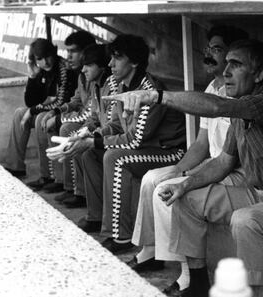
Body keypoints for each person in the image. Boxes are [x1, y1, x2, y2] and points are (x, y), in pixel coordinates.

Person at [104, 39, 263, 297]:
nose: (226, 72)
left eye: (236, 64)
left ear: (260, 74)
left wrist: (156, 96)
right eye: (227, 64)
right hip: (259, 196)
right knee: (183, 198)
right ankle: (198, 282)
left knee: (246, 220)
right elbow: (222, 162)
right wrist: (184, 183)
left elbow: (218, 106)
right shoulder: (240, 112)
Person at [130, 25, 248, 297]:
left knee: (167, 191)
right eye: (208, 49)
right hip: (212, 163)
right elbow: (201, 144)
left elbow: (227, 159)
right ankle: (150, 250)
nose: (209, 55)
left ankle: (187, 277)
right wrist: (179, 168)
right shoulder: (212, 86)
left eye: (217, 50)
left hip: (230, 170)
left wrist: (186, 177)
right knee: (152, 178)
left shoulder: (240, 94)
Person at [60, 34, 187, 254]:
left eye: (117, 58)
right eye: (111, 58)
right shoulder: (121, 86)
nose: (110, 64)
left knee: (115, 157)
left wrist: (95, 142)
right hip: (145, 148)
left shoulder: (150, 90)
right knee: (89, 154)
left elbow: (135, 139)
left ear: (135, 62)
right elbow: (116, 126)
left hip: (169, 152)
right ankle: (98, 218)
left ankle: (121, 236)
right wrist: (91, 136)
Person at [4, 38, 77, 191]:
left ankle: (49, 176)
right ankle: (15, 166)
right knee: (19, 113)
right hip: (47, 110)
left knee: (40, 119)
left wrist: (32, 111)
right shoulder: (41, 70)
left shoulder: (64, 69)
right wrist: (32, 77)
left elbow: (61, 102)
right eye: (39, 59)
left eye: (47, 56)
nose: (45, 61)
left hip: (66, 111)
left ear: (54, 52)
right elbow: (30, 102)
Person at [38, 31, 97, 198]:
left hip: (96, 124)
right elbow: (75, 101)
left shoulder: (99, 75)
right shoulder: (81, 75)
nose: (68, 56)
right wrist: (55, 111)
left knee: (67, 128)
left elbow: (91, 112)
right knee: (44, 119)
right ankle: (56, 179)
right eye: (67, 51)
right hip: (87, 120)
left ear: (86, 52)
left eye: (73, 51)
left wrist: (58, 119)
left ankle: (76, 190)